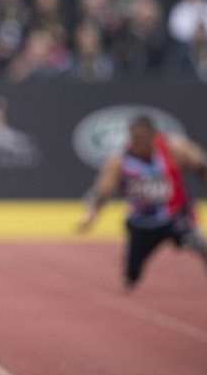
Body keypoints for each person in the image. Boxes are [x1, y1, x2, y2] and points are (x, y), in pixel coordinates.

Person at [78, 115, 207, 289]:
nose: (139, 144)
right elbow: (103, 190)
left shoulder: (175, 150)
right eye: (135, 139)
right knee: (132, 275)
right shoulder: (120, 161)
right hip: (142, 224)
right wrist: (91, 215)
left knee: (201, 244)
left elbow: (200, 166)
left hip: (175, 217)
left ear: (154, 136)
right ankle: (132, 274)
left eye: (144, 139)